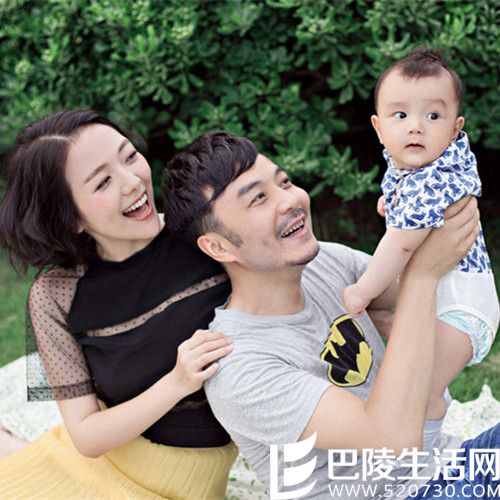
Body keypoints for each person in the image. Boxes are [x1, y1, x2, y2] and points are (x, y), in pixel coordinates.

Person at [162, 131, 499, 499]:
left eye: (284, 182)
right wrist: (422, 276)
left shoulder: (324, 263)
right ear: (218, 246)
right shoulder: (239, 367)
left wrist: (414, 224)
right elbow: (392, 442)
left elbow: (424, 288)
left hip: (451, 463)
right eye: (259, 198)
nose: (290, 200)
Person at [0, 109, 237, 499]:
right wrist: (177, 383)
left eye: (129, 156)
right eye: (103, 181)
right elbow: (86, 436)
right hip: (92, 468)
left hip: (191, 479)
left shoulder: (204, 232)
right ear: (71, 218)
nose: (132, 181)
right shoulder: (56, 295)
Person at [343, 48, 499, 422]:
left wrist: (362, 291)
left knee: (420, 395)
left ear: (455, 128)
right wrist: (392, 204)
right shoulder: (415, 165)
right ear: (379, 127)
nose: (416, 127)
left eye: (433, 116)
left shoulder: (431, 178)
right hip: (442, 297)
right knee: (412, 377)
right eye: (401, 115)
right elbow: (409, 203)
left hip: (461, 309)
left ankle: (434, 447)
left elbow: (402, 243)